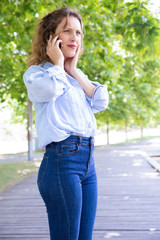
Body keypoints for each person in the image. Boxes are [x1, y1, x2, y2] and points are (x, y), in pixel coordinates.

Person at [23, 7, 109, 240]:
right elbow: (50, 90)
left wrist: (72, 69)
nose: (74, 37)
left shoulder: (73, 75)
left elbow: (101, 100)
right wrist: (59, 65)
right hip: (62, 162)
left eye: (79, 32)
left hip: (88, 163)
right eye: (67, 30)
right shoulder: (37, 73)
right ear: (51, 37)